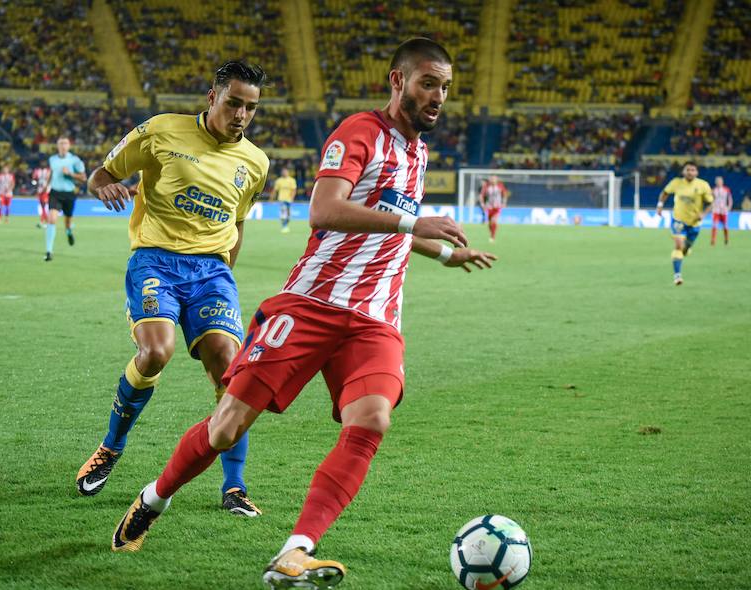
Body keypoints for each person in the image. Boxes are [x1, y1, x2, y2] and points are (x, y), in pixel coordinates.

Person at [108, 38, 496, 589]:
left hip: (375, 319)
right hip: (311, 304)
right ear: (398, 81)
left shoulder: (419, 155)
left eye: (446, 87)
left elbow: (387, 225)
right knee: (226, 427)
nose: (438, 96)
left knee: (372, 420)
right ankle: (153, 499)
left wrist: (443, 252)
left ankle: (295, 551)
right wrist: (416, 224)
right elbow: (325, 209)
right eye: (428, 83)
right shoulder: (359, 132)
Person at [78, 61, 269, 519]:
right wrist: (105, 187)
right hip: (156, 261)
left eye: (250, 107)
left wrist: (224, 274)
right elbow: (100, 175)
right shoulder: (161, 131)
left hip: (212, 273)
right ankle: (110, 447)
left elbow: (238, 221)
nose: (241, 115)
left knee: (230, 372)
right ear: (212, 97)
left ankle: (235, 486)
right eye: (234, 103)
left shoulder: (256, 163)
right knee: (155, 353)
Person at [656, 162, 713, 285]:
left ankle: (686, 249)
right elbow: (665, 193)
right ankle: (677, 276)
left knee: (685, 249)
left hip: (694, 223)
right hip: (678, 220)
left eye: (693, 170)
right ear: (683, 171)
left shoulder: (703, 185)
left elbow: (710, 203)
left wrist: (703, 214)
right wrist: (660, 206)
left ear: (696, 172)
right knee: (678, 245)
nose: (690, 172)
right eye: (688, 170)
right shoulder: (676, 183)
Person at [45, 137, 86, 261]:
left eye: (65, 143)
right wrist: (46, 186)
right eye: (61, 143)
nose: (63, 146)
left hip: (69, 193)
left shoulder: (75, 160)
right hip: (55, 193)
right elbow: (52, 173)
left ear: (69, 146)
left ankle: (68, 232)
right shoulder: (52, 159)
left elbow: (83, 178)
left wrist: (70, 174)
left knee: (67, 222)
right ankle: (49, 251)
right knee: (52, 219)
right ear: (57, 146)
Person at [478, 175, 509, 242]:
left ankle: (493, 236)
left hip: (497, 207)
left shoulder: (500, 185)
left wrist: (504, 202)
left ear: (497, 180)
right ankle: (492, 233)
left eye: (494, 179)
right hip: (489, 207)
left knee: (494, 220)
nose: (493, 180)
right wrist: (482, 204)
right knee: (490, 223)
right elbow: (481, 195)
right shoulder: (486, 186)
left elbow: (505, 194)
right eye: (491, 179)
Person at [271, 167, 297, 233]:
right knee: (283, 212)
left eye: (285, 172)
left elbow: (294, 190)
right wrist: (272, 198)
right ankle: (284, 226)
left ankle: (286, 224)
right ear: (281, 173)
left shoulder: (292, 180)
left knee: (288, 215)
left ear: (288, 172)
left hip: (289, 200)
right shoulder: (279, 181)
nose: (284, 173)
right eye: (283, 172)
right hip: (281, 199)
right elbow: (275, 190)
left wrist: (292, 198)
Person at [710, 175, 732, 246]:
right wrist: (712, 207)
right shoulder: (713, 190)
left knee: (725, 226)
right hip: (716, 210)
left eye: (720, 181)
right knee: (714, 225)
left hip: (723, 210)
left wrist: (729, 207)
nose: (719, 182)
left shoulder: (726, 189)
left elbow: (730, 199)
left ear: (722, 182)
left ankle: (726, 239)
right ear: (716, 182)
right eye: (717, 181)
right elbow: (710, 200)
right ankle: (713, 240)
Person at [32, 158, 52, 228]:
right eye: (42, 163)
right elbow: (34, 180)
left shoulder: (48, 171)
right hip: (40, 190)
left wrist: (46, 187)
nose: (43, 164)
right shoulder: (37, 171)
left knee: (45, 205)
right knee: (42, 206)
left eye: (44, 163)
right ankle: (44, 221)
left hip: (46, 190)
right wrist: (35, 183)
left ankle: (46, 221)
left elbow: (49, 179)